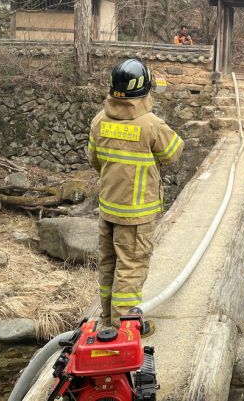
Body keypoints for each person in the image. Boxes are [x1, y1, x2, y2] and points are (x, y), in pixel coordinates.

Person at [87, 58, 184, 333]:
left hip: (108, 208)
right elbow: (174, 151)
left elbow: (94, 159)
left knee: (108, 266)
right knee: (130, 268)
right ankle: (124, 330)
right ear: (144, 89)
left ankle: (107, 320)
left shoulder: (99, 121)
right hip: (136, 214)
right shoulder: (150, 125)